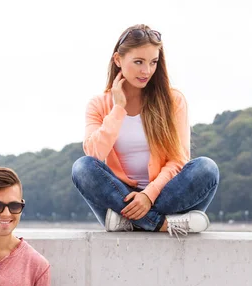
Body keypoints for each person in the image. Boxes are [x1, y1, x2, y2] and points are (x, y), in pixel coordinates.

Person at [72, 24, 219, 238]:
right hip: (121, 199)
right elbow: (95, 154)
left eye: (153, 62)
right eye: (139, 62)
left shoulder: (173, 100)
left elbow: (178, 160)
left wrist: (148, 196)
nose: (146, 71)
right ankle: (161, 224)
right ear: (118, 60)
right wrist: (118, 108)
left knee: (207, 168)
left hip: (164, 195)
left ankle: (134, 223)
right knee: (81, 167)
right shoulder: (98, 104)